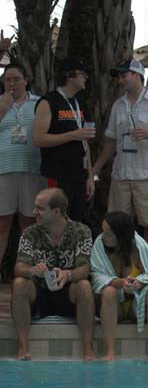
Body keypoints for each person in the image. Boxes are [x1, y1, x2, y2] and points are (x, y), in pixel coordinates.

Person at [93, 59, 148, 254]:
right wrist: (96, 168)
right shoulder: (118, 105)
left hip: (147, 175)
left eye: (124, 76)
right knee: (116, 226)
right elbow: (111, 141)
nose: (121, 81)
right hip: (121, 176)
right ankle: (120, 269)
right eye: (119, 77)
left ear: (137, 75)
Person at [11, 188, 95, 360]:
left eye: (40, 208)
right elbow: (18, 268)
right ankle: (23, 348)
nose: (34, 212)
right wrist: (32, 270)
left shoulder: (81, 231)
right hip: (39, 293)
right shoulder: (30, 233)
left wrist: (68, 274)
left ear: (56, 211)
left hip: (68, 294)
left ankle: (88, 349)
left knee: (84, 286)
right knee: (19, 283)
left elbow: (84, 269)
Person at [90, 211, 148, 361]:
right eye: (103, 231)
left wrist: (142, 281)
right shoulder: (100, 245)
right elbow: (96, 277)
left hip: (137, 306)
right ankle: (110, 351)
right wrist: (118, 283)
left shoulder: (138, 247)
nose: (103, 236)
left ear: (120, 235)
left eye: (107, 233)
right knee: (109, 292)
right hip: (114, 307)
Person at [33, 57, 95, 222]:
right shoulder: (48, 101)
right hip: (58, 175)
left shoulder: (81, 103)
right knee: (56, 222)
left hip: (80, 176)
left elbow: (85, 142)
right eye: (82, 74)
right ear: (70, 75)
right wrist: (73, 135)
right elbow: (38, 139)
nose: (86, 78)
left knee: (76, 223)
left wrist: (90, 176)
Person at [0, 63, 46, 274]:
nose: (12, 83)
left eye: (16, 79)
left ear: (26, 80)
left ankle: (28, 273)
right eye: (7, 79)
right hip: (3, 171)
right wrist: (3, 108)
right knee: (2, 223)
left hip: (32, 169)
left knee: (29, 223)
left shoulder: (39, 103)